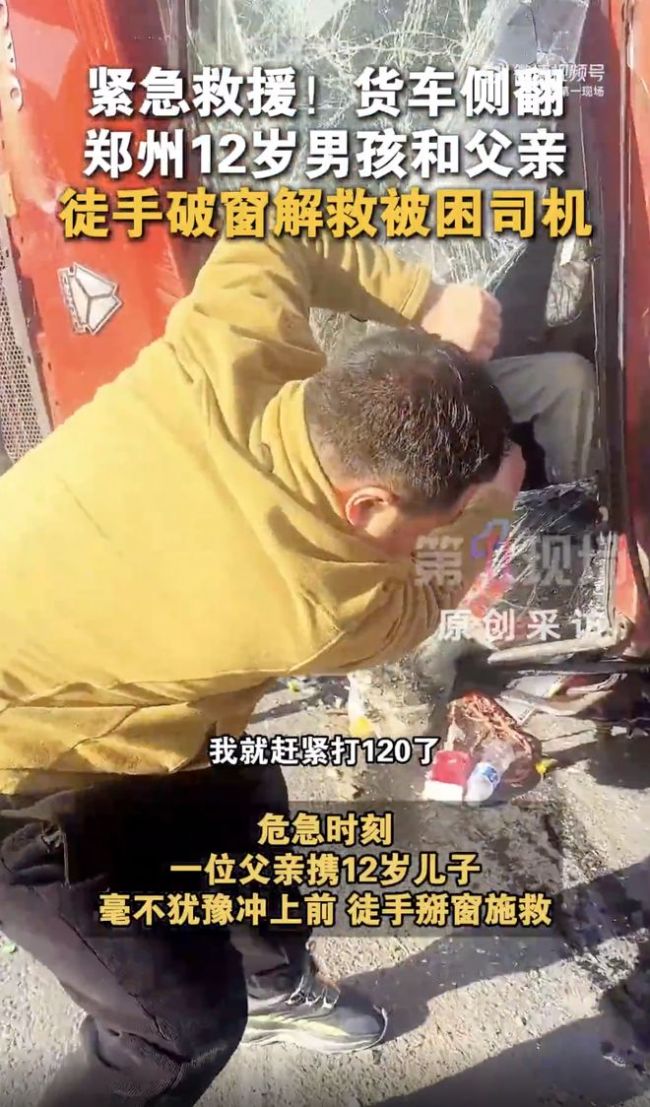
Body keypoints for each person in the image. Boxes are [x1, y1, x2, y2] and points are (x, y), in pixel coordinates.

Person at [0, 232, 535, 1107]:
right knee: (176, 1029)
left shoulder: (226, 341)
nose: (431, 538)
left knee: (249, 801)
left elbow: (274, 231)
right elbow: (429, 598)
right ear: (367, 503)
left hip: (116, 687)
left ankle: (277, 986)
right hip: (22, 781)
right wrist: (492, 514)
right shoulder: (323, 603)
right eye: (429, 522)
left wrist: (424, 299)